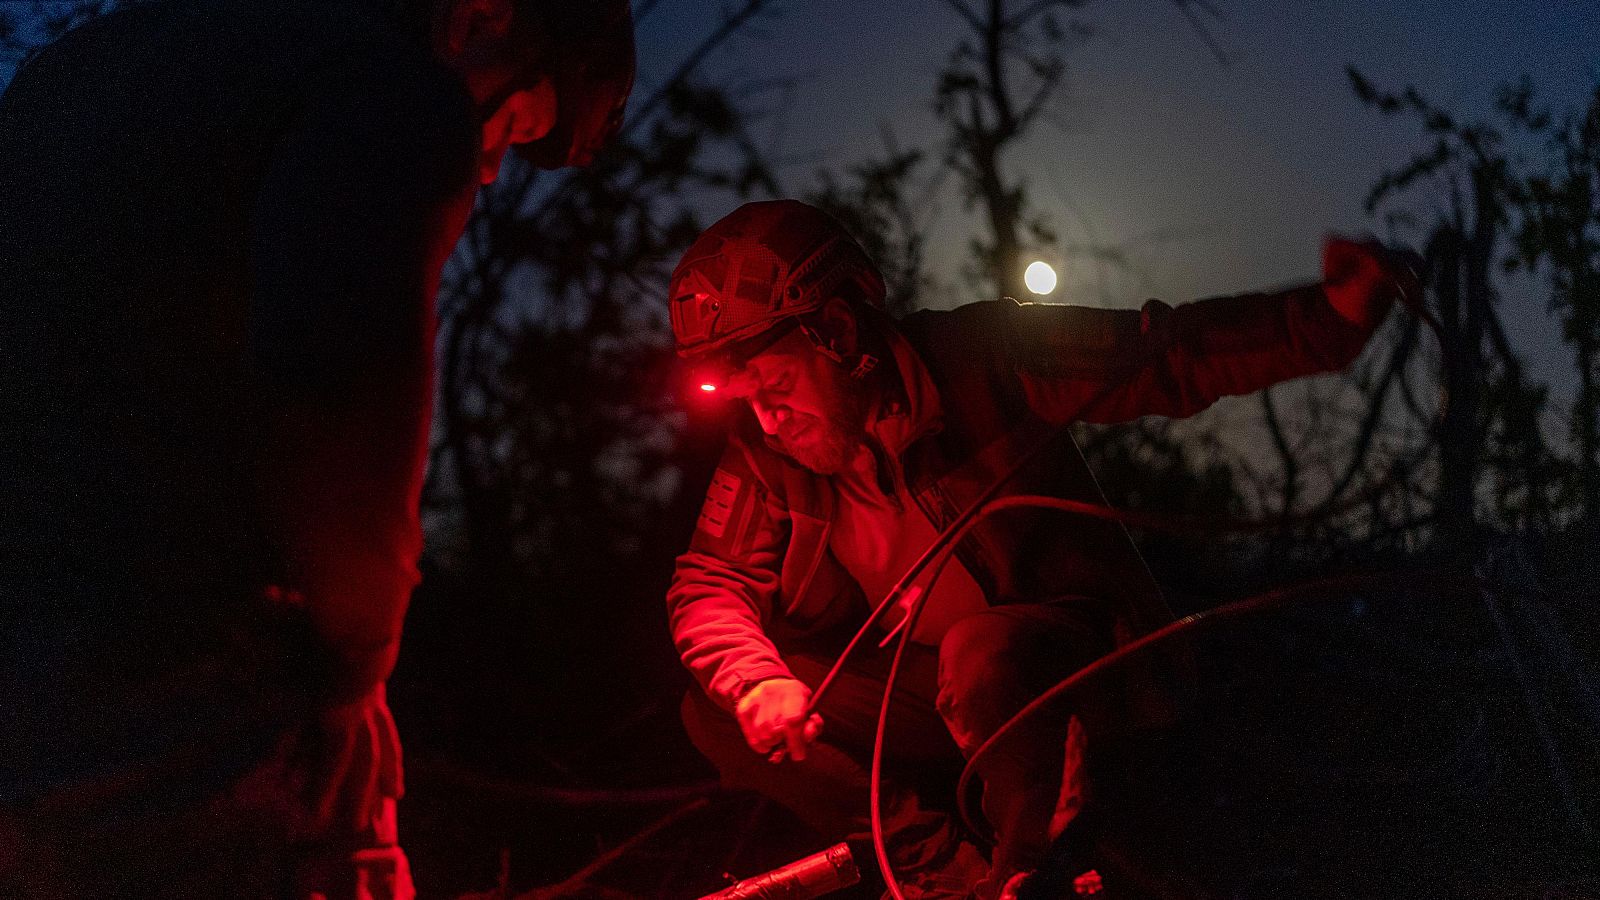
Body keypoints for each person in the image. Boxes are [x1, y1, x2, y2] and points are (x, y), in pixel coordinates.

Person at [0, 0, 632, 896]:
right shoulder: (388, 87)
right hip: (179, 678)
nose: (488, 168)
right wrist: (353, 667)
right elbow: (338, 387)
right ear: (479, 17)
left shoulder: (84, 67)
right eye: (509, 124)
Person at [664, 200, 1413, 899]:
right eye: (747, 403)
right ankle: (946, 877)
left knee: (979, 649)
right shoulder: (769, 465)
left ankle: (1030, 870)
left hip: (1080, 658)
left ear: (839, 330)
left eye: (775, 387)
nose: (766, 421)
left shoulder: (979, 357)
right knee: (717, 709)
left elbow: (1160, 355)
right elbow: (707, 584)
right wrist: (754, 681)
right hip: (936, 698)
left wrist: (1324, 320)